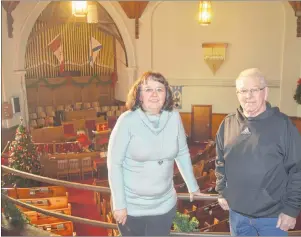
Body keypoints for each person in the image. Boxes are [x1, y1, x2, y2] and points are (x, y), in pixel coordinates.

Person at [107, 71, 202, 236]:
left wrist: (193, 186)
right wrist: (119, 204)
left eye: (160, 89)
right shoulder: (127, 121)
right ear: (139, 95)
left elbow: (182, 153)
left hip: (164, 206)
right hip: (131, 207)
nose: (154, 94)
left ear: (166, 94)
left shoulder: (174, 117)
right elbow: (114, 164)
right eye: (148, 89)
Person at [215, 68, 301, 236]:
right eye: (243, 91)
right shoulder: (228, 124)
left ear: (265, 92)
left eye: (254, 90)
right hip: (237, 215)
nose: (249, 96)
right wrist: (221, 190)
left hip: (272, 218)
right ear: (237, 94)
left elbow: (297, 170)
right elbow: (219, 161)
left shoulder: (283, 125)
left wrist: (291, 209)